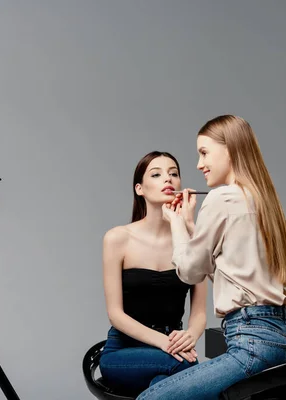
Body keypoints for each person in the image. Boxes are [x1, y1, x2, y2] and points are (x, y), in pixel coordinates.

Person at [136, 115, 286, 400]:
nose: (200, 164)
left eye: (204, 153)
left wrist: (176, 224)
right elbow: (226, 269)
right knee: (158, 388)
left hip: (252, 341)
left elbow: (190, 272)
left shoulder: (221, 197)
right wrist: (191, 225)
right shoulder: (261, 199)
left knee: (150, 398)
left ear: (230, 149)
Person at [99, 151, 208, 396]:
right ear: (140, 188)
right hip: (123, 353)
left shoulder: (190, 239)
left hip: (172, 350)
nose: (168, 179)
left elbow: (200, 312)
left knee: (164, 387)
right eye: (156, 174)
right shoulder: (118, 238)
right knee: (188, 369)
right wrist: (165, 344)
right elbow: (115, 314)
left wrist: (189, 336)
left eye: (174, 174)